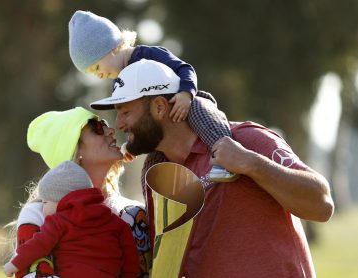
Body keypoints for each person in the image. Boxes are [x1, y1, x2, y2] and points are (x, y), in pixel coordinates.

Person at [90, 59, 335, 278]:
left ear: (160, 107)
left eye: (125, 112)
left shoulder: (245, 140)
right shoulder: (155, 175)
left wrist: (251, 163)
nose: (119, 124)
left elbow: (322, 204)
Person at [68, 10, 234, 180]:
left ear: (112, 48)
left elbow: (184, 68)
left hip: (184, 103)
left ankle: (227, 160)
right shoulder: (118, 83)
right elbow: (140, 122)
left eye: (96, 68)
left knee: (200, 111)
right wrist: (130, 144)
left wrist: (186, 94)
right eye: (92, 73)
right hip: (159, 126)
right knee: (151, 164)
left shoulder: (148, 55)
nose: (99, 75)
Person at [11, 107, 151, 277]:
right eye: (97, 128)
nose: (110, 130)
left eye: (104, 124)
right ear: (77, 152)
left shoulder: (135, 214)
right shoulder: (37, 215)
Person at [4, 160, 140, 277]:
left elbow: (38, 245)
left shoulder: (59, 221)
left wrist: (14, 264)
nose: (42, 208)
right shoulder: (114, 220)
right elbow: (131, 258)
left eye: (45, 202)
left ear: (61, 200)